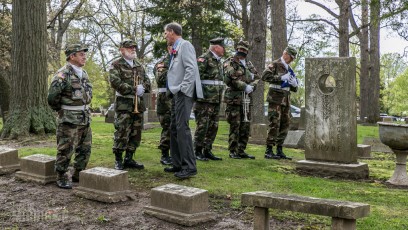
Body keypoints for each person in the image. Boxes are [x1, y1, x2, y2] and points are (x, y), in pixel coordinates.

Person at [47, 44, 92, 189]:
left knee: (85, 148)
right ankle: (61, 176)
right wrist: (62, 111)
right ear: (72, 56)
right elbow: (52, 97)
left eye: (84, 54)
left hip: (84, 116)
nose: (84, 56)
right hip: (69, 118)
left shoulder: (83, 73)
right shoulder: (63, 74)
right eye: (81, 54)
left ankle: (79, 173)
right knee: (66, 148)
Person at [163, 22, 203, 179]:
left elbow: (191, 68)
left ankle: (189, 166)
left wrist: (183, 89)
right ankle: (177, 163)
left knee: (182, 128)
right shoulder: (175, 48)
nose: (165, 36)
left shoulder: (185, 45)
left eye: (166, 33)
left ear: (172, 32)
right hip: (176, 92)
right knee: (174, 128)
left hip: (182, 92)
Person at [108, 39, 151, 170]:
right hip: (124, 105)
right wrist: (134, 89)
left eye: (134, 48)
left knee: (136, 133)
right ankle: (118, 159)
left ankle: (129, 158)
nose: (133, 49)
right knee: (122, 132)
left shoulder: (139, 65)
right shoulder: (116, 65)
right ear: (122, 50)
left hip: (138, 104)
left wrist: (143, 87)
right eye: (129, 48)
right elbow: (115, 83)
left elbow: (148, 82)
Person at [223, 40, 260, 159]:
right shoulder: (230, 61)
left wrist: (252, 86)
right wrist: (245, 85)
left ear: (247, 51)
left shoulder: (249, 64)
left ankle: (241, 150)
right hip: (234, 98)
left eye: (244, 50)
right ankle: (233, 151)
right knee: (235, 125)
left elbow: (257, 77)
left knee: (245, 125)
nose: (241, 52)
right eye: (240, 49)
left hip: (247, 99)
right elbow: (231, 77)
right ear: (236, 49)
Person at [262, 46, 298, 160]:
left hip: (286, 100)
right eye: (291, 57)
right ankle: (269, 150)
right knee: (274, 123)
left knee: (285, 124)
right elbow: (265, 76)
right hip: (275, 99)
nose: (291, 60)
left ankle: (279, 149)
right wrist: (281, 77)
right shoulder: (275, 64)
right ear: (285, 53)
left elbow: (292, 87)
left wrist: (294, 85)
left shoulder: (289, 68)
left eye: (293, 58)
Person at [194, 38, 225, 161]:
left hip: (215, 99)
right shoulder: (204, 59)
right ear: (216, 47)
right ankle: (197, 150)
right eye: (223, 47)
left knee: (213, 126)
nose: (224, 49)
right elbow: (195, 77)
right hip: (205, 100)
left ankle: (207, 150)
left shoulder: (218, 61)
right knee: (203, 125)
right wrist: (198, 96)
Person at [153, 45, 173, 165]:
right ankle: (164, 154)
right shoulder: (162, 63)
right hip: (165, 101)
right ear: (168, 48)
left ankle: (175, 153)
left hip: (176, 99)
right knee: (168, 127)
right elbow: (161, 79)